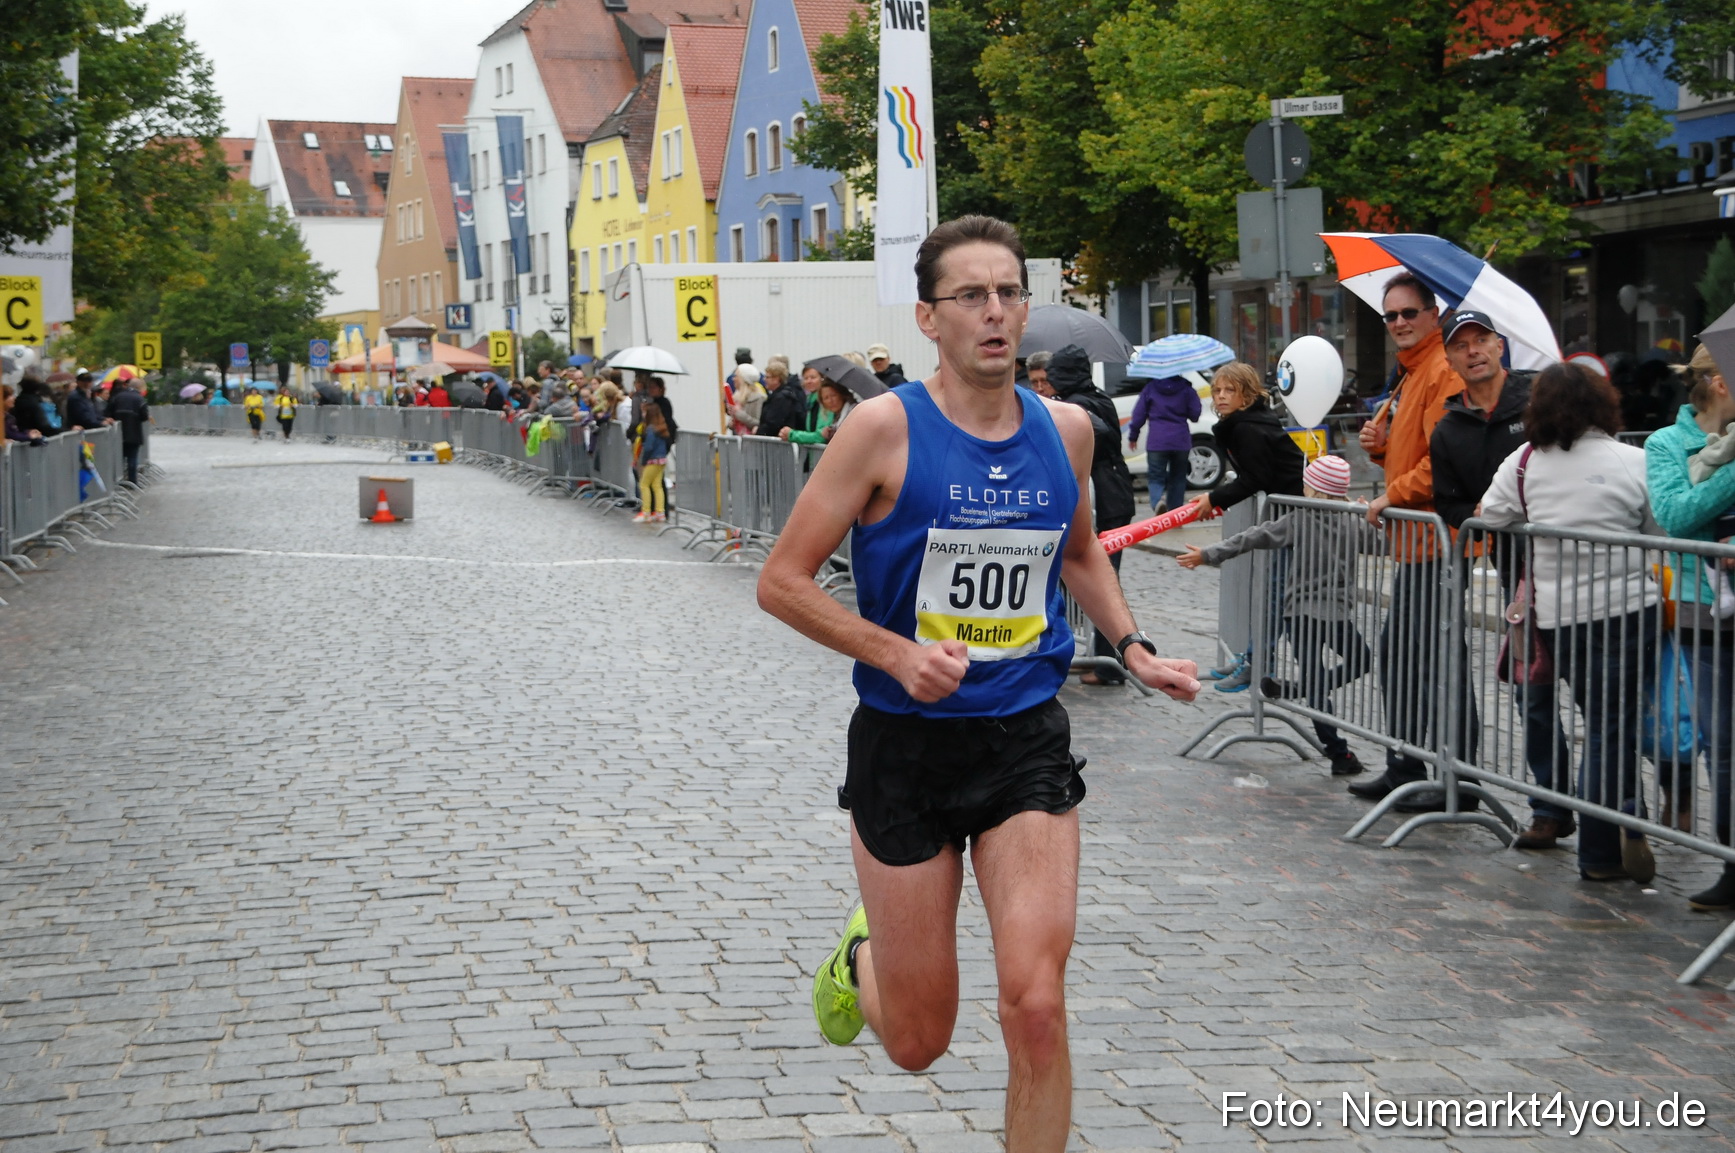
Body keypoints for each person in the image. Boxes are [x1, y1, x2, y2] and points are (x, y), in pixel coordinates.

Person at [758, 216, 1198, 1152]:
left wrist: (1132, 645)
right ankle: (864, 956)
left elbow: (1078, 551)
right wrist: (894, 653)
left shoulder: (1068, 431)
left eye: (1008, 293)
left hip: (1021, 738)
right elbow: (781, 580)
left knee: (1035, 1003)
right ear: (929, 317)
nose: (994, 313)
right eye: (971, 296)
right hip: (904, 746)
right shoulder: (881, 429)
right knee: (919, 1041)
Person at [1483, 362, 1660, 885]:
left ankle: (1618, 820)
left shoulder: (1524, 462)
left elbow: (1487, 515)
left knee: (1606, 726)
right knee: (1610, 728)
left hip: (1559, 617)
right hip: (1628, 610)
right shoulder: (1633, 459)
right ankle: (1604, 844)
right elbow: (1659, 526)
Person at [1426, 310, 1574, 847]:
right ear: (1450, 358)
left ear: (1499, 345)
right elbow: (1450, 506)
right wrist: (1494, 511)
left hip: (1579, 564)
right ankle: (1551, 807)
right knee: (1530, 693)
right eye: (1461, 344)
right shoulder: (1449, 429)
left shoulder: (1541, 401)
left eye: (1482, 339)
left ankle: (1625, 808)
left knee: (1597, 696)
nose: (1474, 351)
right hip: (1518, 577)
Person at [1349, 273, 1474, 809]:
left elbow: (1442, 464)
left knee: (1435, 659)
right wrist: (1379, 450)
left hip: (1441, 541)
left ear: (1433, 314)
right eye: (1391, 315)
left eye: (1408, 313)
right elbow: (1414, 451)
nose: (1399, 323)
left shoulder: (1442, 370)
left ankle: (1455, 777)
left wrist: (1388, 493)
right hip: (1418, 541)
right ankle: (1408, 762)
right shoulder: (1413, 372)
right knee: (1406, 653)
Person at [1179, 455, 1379, 775]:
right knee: (1360, 662)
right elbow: (1379, 543)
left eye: (1307, 485)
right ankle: (1337, 751)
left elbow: (1252, 536)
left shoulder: (1299, 519)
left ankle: (1304, 699)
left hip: (1301, 615)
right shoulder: (1351, 520)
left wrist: (1208, 554)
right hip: (1329, 614)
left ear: (1316, 492)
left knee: (1320, 683)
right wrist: (1370, 515)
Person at [1644, 340, 1735, 910]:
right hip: (1704, 612)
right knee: (1722, 743)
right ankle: (1731, 859)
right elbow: (1677, 515)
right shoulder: (1666, 444)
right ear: (1720, 383)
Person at [1185, 362, 1306, 692]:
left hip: (1298, 520)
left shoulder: (1248, 428)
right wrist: (1218, 498)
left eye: (1230, 391)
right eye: (1217, 390)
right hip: (1287, 516)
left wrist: (1215, 498)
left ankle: (1258, 666)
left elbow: (1257, 478)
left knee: (1275, 598)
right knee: (1271, 595)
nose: (1221, 397)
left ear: (1247, 395)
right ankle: (1253, 659)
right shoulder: (1245, 423)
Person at [1049, 343, 1139, 686]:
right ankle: (1098, 656)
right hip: (1110, 495)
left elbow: (1099, 431)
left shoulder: (1082, 404)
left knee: (1102, 578)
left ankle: (1108, 663)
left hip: (1108, 500)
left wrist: (1070, 422)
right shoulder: (1093, 396)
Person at [1126, 372, 1200, 515]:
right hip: (1180, 441)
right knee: (1178, 478)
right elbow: (1195, 415)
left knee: (1155, 476)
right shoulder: (1187, 389)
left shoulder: (1150, 389)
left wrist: (1133, 436)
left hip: (1157, 441)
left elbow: (1138, 415)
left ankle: (1157, 502)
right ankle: (1176, 514)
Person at [783, 377, 855, 444]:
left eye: (833, 395)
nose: (830, 401)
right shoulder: (836, 415)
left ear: (841, 394)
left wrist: (791, 434)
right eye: (826, 398)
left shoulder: (852, 412)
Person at [634, 401, 672, 523]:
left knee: (644, 484)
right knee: (657, 486)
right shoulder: (662, 428)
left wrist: (644, 460)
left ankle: (646, 512)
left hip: (652, 460)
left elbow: (649, 447)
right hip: (661, 460)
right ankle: (660, 512)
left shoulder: (651, 429)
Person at [105, 379, 150, 482]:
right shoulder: (139, 399)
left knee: (118, 456)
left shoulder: (117, 397)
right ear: (140, 388)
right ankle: (132, 480)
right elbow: (144, 416)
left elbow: (108, 412)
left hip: (117, 432)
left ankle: (116, 481)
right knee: (132, 457)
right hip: (134, 431)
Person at [757, 360, 811, 440]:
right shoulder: (779, 395)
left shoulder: (782, 398)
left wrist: (758, 433)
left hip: (778, 443)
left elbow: (773, 423)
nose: (764, 379)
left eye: (767, 377)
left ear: (776, 379)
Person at [726, 363, 766, 434]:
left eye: (736, 376)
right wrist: (731, 423)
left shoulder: (758, 398)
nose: (733, 379)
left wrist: (738, 413)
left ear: (743, 379)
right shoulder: (737, 397)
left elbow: (758, 424)